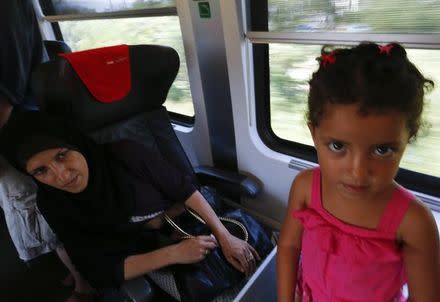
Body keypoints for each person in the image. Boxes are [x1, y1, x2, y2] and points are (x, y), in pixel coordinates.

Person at [0, 110, 261, 292]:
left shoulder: (125, 154)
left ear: (75, 144)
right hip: (150, 256)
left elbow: (184, 189)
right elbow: (100, 270)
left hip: (192, 225)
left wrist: (225, 237)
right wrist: (174, 254)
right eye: (40, 171)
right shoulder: (54, 203)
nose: (61, 175)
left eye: (61, 156)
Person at [276, 42, 440, 301]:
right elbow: (288, 246)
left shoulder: (414, 222)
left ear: (407, 139)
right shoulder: (305, 188)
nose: (358, 173)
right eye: (337, 146)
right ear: (314, 134)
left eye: (382, 150)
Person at [0, 1, 93, 298]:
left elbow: (3, 99)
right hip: (19, 126)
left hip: (22, 131)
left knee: (39, 209)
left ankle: (85, 281)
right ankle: (75, 271)